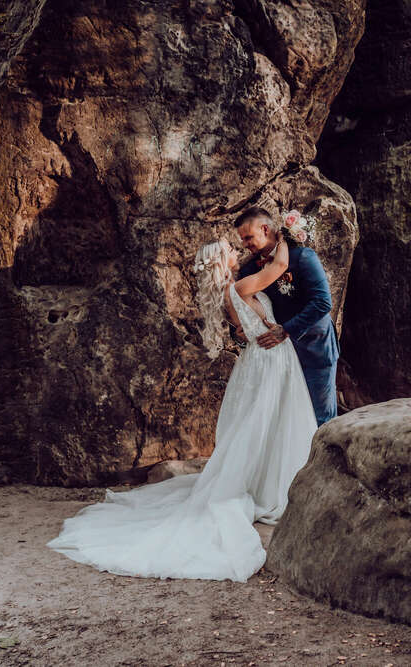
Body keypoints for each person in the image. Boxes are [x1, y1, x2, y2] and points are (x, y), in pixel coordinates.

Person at [46, 232, 318, 582]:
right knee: (263, 426)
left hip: (260, 361)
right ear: (222, 262)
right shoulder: (239, 288)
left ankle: (267, 483)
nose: (236, 251)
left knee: (262, 426)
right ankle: (272, 488)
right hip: (267, 361)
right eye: (229, 250)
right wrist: (285, 235)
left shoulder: (230, 292)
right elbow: (281, 265)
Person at [235, 207, 339, 426]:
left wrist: (286, 330)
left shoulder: (303, 257)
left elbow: (322, 303)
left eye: (248, 237)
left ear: (265, 229)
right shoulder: (248, 272)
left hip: (314, 348)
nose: (245, 244)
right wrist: (240, 330)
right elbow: (246, 309)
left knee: (321, 418)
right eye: (242, 240)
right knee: (286, 423)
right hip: (276, 358)